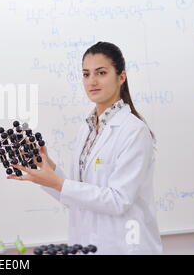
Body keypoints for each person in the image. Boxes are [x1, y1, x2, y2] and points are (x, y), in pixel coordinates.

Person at [9, 42, 163, 254]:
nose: (92, 81)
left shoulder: (133, 130)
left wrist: (58, 182)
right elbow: (76, 196)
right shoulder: (87, 129)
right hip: (88, 246)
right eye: (86, 74)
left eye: (101, 72)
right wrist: (47, 170)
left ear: (121, 77)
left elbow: (119, 200)